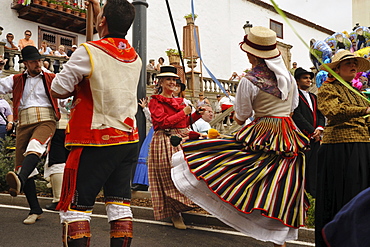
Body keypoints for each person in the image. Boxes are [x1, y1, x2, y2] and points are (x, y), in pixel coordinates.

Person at [172, 26, 310, 247]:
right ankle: (279, 238)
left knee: (242, 173)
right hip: (287, 133)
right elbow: (292, 108)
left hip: (263, 131)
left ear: (253, 54)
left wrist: (243, 115)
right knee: (282, 183)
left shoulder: (249, 81)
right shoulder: (289, 80)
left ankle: (255, 221)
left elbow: (241, 116)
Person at [51, 0, 142, 246]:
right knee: (119, 207)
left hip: (95, 139)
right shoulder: (136, 57)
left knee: (77, 210)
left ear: (103, 21)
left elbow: (58, 88)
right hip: (128, 139)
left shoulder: (88, 51)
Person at [315, 50, 370, 247]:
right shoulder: (328, 89)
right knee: (344, 195)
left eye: (355, 63)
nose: (354, 66)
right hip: (340, 148)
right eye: (349, 63)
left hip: (363, 146)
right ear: (336, 69)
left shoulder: (359, 93)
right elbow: (334, 111)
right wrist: (364, 110)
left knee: (360, 195)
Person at [4, 46, 60, 224]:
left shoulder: (52, 78)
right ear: (26, 63)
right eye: (34, 61)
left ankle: (18, 181)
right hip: (24, 124)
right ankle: (35, 209)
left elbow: (69, 92)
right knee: (22, 165)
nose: (38, 63)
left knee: (35, 146)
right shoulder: (16, 79)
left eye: (39, 60)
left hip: (46, 120)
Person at [147, 65, 202, 230]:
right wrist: (183, 112)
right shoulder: (155, 101)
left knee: (188, 173)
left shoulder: (180, 101)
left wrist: (196, 114)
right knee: (169, 176)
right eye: (169, 79)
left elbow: (184, 123)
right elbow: (162, 123)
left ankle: (187, 205)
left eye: (174, 79)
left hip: (181, 139)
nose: (172, 82)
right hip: (165, 140)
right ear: (161, 81)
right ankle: (174, 213)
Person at [292, 67, 325, 198]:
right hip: (302, 136)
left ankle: (314, 193)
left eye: (310, 78)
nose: (309, 80)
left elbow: (320, 114)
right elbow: (297, 116)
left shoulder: (313, 96)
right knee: (304, 166)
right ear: (297, 80)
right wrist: (312, 131)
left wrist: (320, 128)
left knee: (315, 166)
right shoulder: (294, 96)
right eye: (305, 78)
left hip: (315, 137)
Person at [43, 98, 71, 211]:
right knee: (74, 162)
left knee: (57, 163)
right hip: (78, 128)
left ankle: (58, 199)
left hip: (59, 126)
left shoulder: (56, 84)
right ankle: (74, 199)